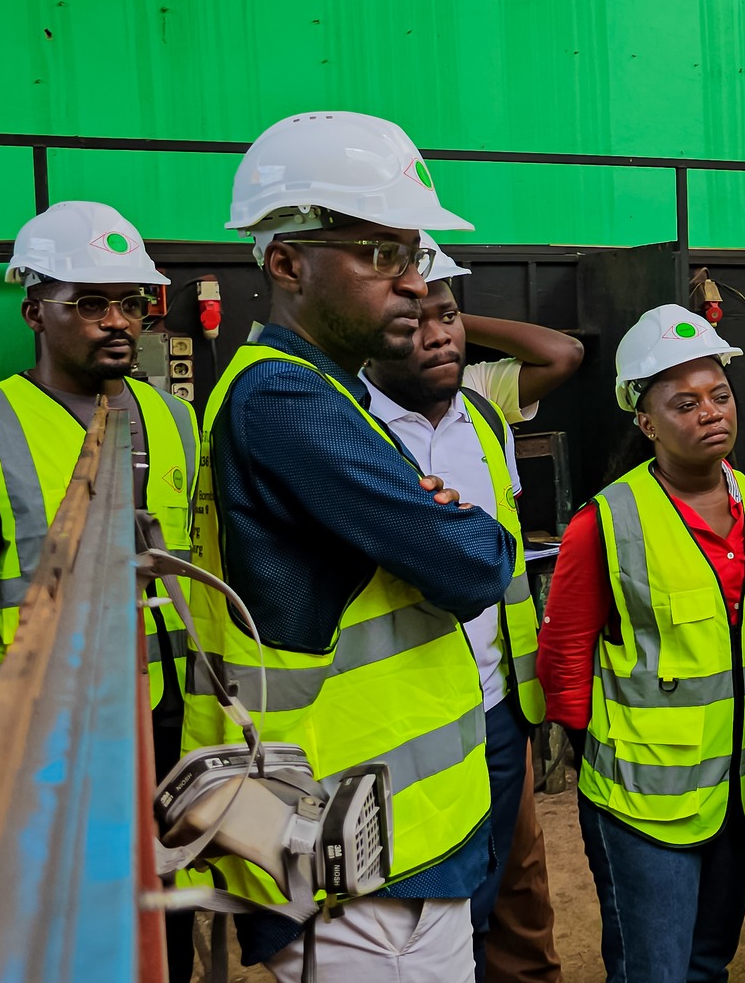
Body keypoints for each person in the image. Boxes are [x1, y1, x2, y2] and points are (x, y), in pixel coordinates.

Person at [182, 111, 515, 980]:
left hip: (385, 841)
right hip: (352, 855)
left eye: (412, 252)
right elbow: (477, 560)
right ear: (286, 264)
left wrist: (432, 516)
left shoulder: (332, 394)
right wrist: (437, 517)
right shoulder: (286, 404)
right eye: (381, 254)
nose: (412, 280)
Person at [0, 201, 198, 981]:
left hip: (170, 731)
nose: (117, 321)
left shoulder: (176, 418)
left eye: (131, 301)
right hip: (54, 743)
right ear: (34, 311)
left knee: (159, 931)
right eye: (89, 302)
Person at [535, 304, 745, 983]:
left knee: (708, 962)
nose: (710, 412)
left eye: (719, 395)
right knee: (654, 970)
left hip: (739, 793)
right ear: (646, 422)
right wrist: (605, 768)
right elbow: (564, 661)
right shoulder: (606, 521)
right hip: (640, 803)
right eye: (685, 402)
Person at [362, 239, 554, 981]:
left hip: (496, 706)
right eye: (415, 318)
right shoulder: (355, 427)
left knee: (492, 888)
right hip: (410, 717)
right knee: (433, 906)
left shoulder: (484, 418)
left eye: (447, 314)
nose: (437, 332)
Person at [418, 233, 588, 426]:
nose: (439, 336)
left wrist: (448, 316)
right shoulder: (376, 417)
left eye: (448, 317)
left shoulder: (473, 386)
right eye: (412, 320)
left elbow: (565, 353)